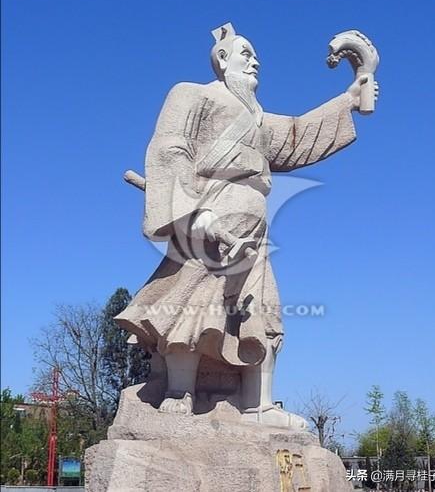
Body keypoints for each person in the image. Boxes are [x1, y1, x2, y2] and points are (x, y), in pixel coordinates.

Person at [115, 23, 378, 428]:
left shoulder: (258, 119)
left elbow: (296, 136)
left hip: (254, 229)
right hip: (208, 215)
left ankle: (258, 404)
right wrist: (193, 212)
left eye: (256, 55)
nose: (256, 61)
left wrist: (349, 98)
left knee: (261, 309)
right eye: (246, 53)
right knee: (192, 301)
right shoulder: (192, 94)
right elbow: (170, 149)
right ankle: (179, 390)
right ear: (222, 59)